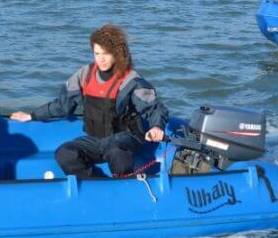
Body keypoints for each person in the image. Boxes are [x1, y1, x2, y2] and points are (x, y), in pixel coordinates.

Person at [10, 24, 169, 180]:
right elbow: (62, 104)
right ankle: (94, 185)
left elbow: (155, 109)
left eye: (106, 53)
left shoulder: (130, 79)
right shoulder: (84, 75)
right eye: (97, 53)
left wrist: (157, 127)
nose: (101, 59)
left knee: (116, 150)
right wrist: (32, 115)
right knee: (64, 153)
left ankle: (123, 185)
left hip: (125, 138)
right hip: (96, 140)